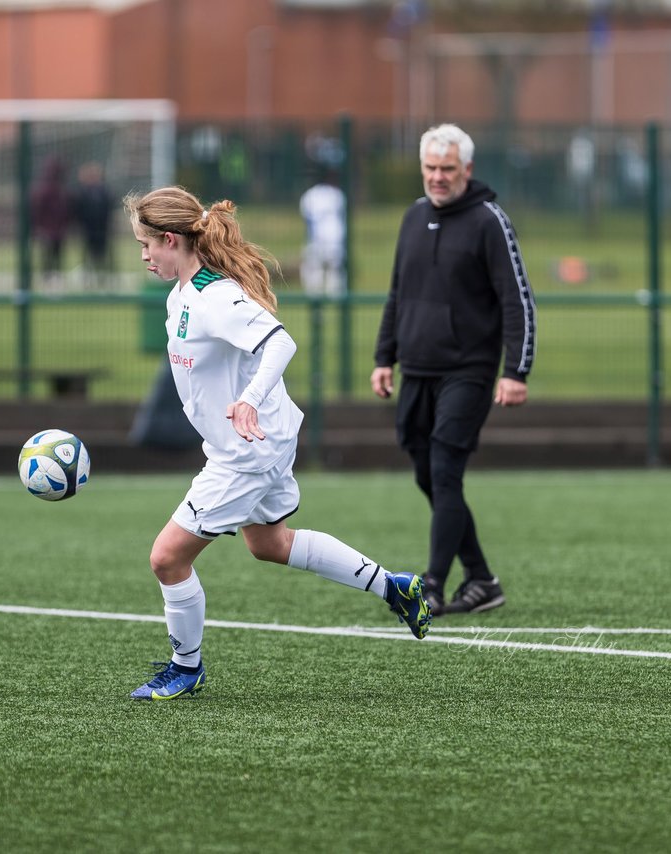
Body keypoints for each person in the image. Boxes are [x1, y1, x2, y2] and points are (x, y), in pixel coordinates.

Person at [124, 187, 431, 702]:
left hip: (246, 451)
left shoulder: (212, 296)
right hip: (250, 444)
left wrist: (247, 399)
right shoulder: (182, 294)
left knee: (166, 559)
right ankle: (394, 587)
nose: (144, 256)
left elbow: (279, 342)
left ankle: (186, 667)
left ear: (170, 239)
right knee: (269, 544)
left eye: (146, 245)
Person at [371, 123, 537, 617]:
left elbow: (518, 301)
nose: (438, 177)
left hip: (468, 369)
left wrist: (517, 371)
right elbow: (398, 293)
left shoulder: (490, 221)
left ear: (466, 169)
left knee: (445, 469)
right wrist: (384, 357)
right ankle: (482, 579)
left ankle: (434, 584)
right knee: (428, 473)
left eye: (447, 169)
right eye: (430, 168)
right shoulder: (413, 217)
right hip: (417, 368)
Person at [298, 169, 346, 298]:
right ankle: (336, 299)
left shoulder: (309, 195)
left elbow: (308, 220)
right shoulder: (338, 194)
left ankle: (315, 299)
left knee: (315, 271)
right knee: (334, 271)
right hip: (336, 238)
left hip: (317, 238)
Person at [30, 156, 72, 282]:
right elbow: (38, 211)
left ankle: (54, 275)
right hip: (48, 230)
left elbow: (66, 211)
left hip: (57, 229)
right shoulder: (46, 191)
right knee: (49, 254)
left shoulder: (60, 191)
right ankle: (48, 276)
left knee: (56, 254)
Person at [72, 161, 113, 287]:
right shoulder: (82, 193)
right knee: (87, 255)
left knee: (102, 255)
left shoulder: (104, 191)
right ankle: (88, 278)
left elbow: (108, 207)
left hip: (102, 230)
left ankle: (103, 278)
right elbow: (78, 210)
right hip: (88, 230)